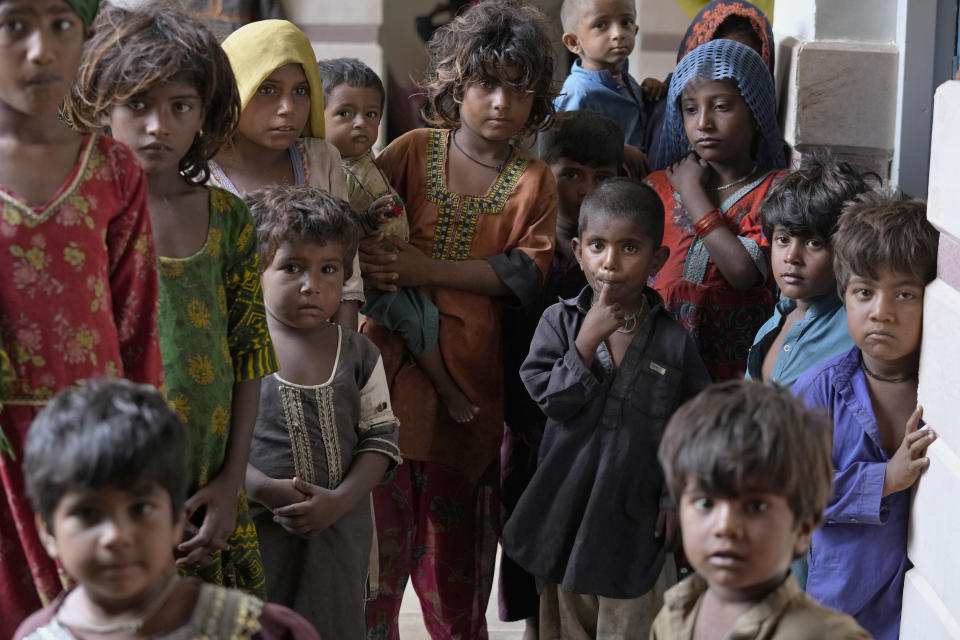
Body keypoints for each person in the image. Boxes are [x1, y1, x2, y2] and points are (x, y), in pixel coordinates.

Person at [358, 1, 558, 637]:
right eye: (486, 85)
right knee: (373, 573)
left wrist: (425, 271)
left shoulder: (534, 181)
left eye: (519, 91)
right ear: (454, 84)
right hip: (384, 386)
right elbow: (364, 224)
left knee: (455, 574)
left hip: (469, 394)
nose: (501, 103)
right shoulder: (413, 152)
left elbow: (524, 275)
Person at [66, 3, 278, 595]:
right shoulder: (80, 214)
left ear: (204, 113)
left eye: (179, 106)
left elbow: (249, 353)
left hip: (203, 480)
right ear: (101, 108)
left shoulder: (229, 217)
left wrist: (232, 482)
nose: (158, 126)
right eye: (137, 105)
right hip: (102, 477)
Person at [0, 1, 165, 634]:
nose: (40, 50)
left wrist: (141, 458)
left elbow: (138, 326)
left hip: (89, 450)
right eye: (15, 25)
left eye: (61, 25)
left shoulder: (113, 169)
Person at [502, 178, 710, 638]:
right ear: (578, 251)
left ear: (657, 259)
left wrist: (675, 499)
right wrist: (586, 339)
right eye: (597, 245)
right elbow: (551, 401)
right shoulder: (559, 322)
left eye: (629, 247)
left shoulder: (673, 342)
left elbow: (696, 431)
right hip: (566, 512)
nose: (610, 262)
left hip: (635, 524)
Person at [14, 380, 320, 640]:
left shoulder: (264, 631)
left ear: (176, 518)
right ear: (48, 532)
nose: (116, 537)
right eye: (87, 514)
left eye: (141, 509)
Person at [244, 185, 402, 638]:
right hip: (257, 528)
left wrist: (341, 501)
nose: (312, 285)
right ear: (255, 269)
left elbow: (380, 436)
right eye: (292, 267)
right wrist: (262, 489)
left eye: (329, 269)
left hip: (338, 530)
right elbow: (209, 442)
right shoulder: (236, 350)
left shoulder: (359, 354)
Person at [793, 191, 940, 640]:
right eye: (864, 291)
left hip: (918, 612)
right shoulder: (819, 391)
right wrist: (886, 479)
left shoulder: (940, 393)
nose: (882, 312)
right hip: (840, 605)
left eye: (905, 294)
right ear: (844, 296)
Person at [498, 109, 623, 637]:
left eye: (603, 177)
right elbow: (506, 342)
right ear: (543, 171)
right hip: (531, 427)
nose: (586, 190)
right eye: (571, 174)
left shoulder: (623, 258)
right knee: (531, 544)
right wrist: (523, 417)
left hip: (599, 438)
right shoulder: (530, 250)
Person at [318, 56, 478, 423]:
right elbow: (330, 231)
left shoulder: (366, 158)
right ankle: (443, 386)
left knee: (429, 313)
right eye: (345, 114)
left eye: (372, 114)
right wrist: (368, 221)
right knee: (415, 319)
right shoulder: (330, 171)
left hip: (396, 264)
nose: (362, 123)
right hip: (369, 277)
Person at [652, 380, 871, 639]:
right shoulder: (677, 612)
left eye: (755, 506)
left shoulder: (827, 635)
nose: (724, 526)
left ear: (802, 527)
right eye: (705, 503)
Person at [645, 38, 787, 381]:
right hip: (653, 369)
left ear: (755, 113)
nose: (703, 123)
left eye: (721, 106)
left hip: (729, 380)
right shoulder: (656, 185)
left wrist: (692, 191)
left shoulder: (776, 191)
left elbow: (742, 272)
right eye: (691, 109)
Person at [210, 19, 363, 330]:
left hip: (315, 354)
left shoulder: (321, 159)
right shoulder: (198, 173)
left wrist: (344, 358)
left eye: (301, 91)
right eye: (268, 89)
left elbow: (347, 277)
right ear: (235, 89)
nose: (287, 107)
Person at [747, 154, 877, 388]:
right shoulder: (773, 324)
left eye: (813, 243)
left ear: (845, 248)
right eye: (783, 239)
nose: (791, 257)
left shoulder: (856, 327)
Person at [645, 0, 775, 163]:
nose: (703, 123)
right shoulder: (658, 105)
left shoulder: (774, 166)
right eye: (719, 58)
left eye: (749, 62)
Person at [555, 0, 665, 174]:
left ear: (635, 30)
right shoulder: (579, 90)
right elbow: (563, 142)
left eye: (626, 22)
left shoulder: (624, 78)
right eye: (601, 25)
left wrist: (649, 89)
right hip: (603, 190)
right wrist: (617, 149)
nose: (618, 33)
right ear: (573, 42)